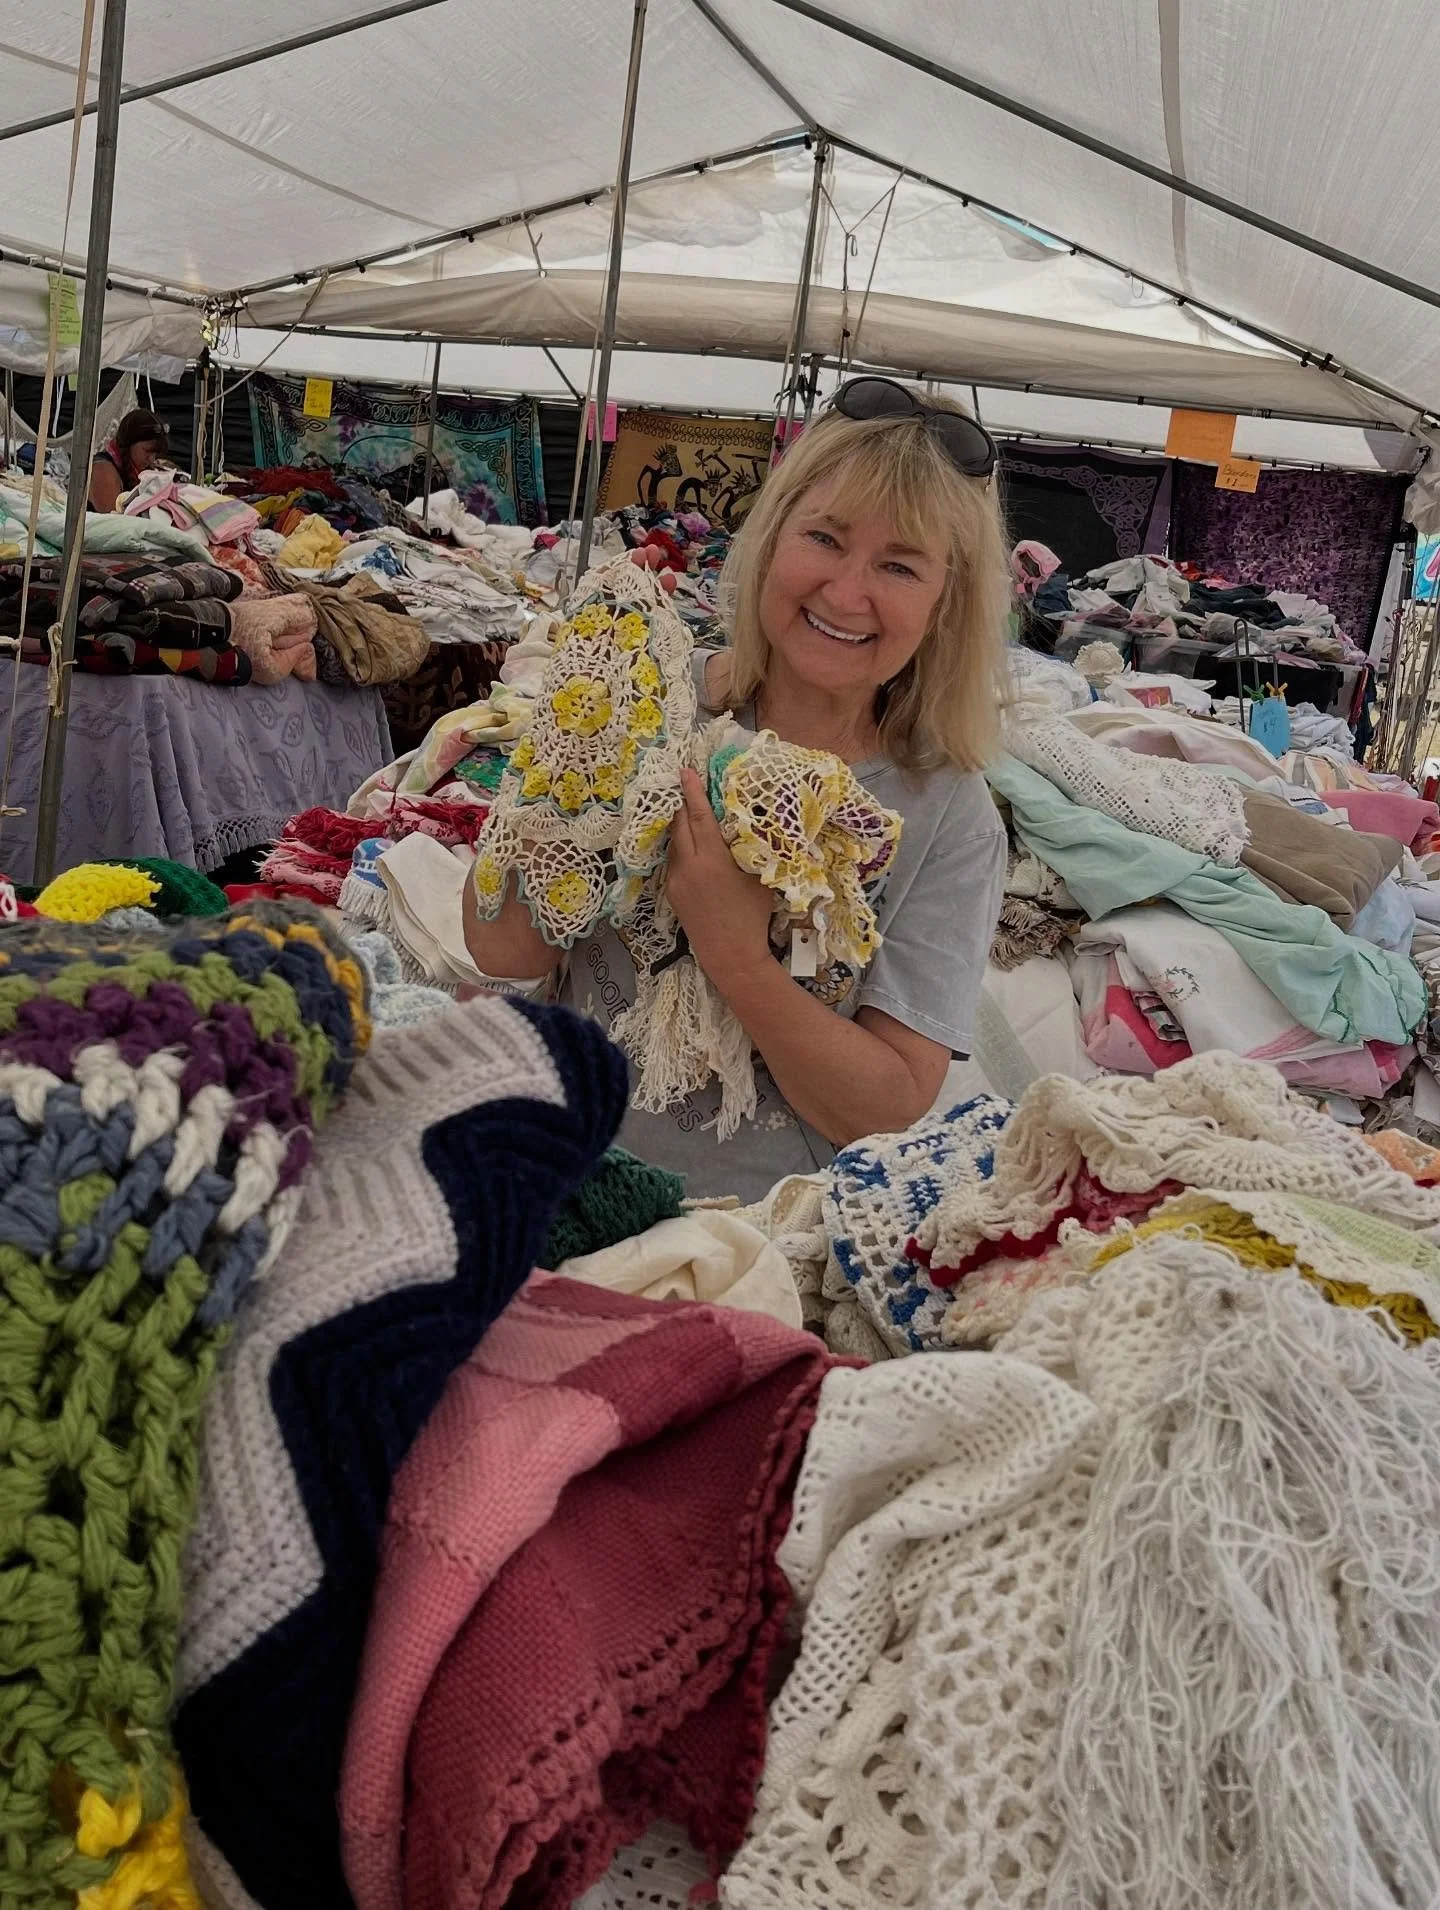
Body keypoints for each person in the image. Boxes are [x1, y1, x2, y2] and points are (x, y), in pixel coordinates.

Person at [463, 376, 1010, 1199]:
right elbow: (501, 949)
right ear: (773, 534)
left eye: (899, 566)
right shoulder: (649, 695)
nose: (846, 594)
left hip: (752, 1235)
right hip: (559, 1175)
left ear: (945, 605)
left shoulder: (949, 815)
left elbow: (884, 1108)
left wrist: (735, 953)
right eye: (824, 538)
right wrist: (570, 771)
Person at [88, 407, 170, 511]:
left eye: (155, 453)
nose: (151, 459)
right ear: (129, 444)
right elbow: (112, 519)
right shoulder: (102, 471)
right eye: (147, 451)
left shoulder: (141, 468)